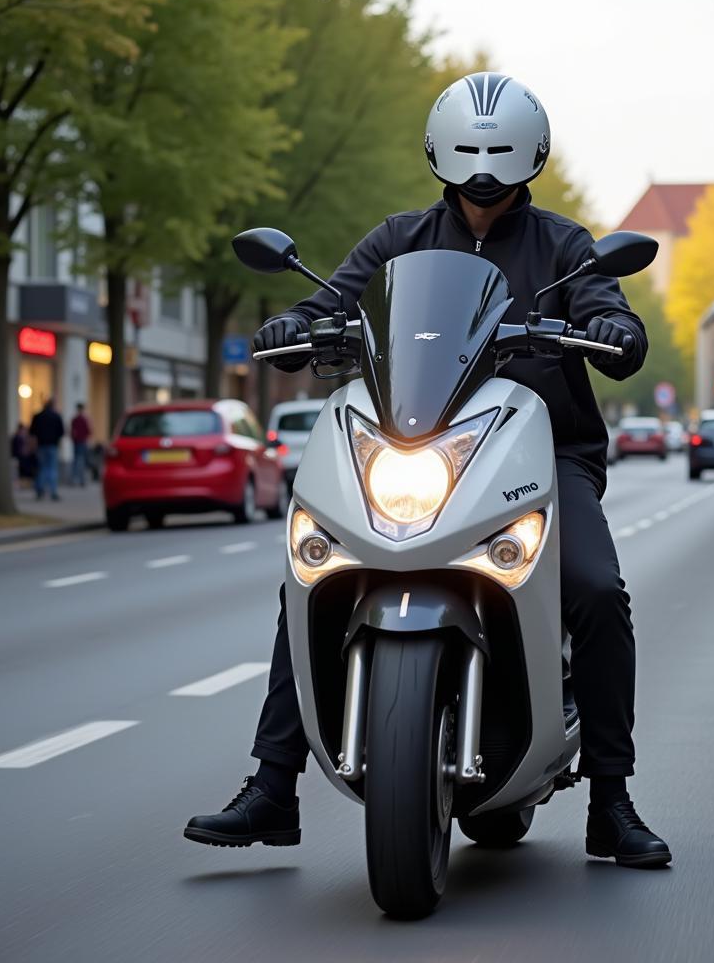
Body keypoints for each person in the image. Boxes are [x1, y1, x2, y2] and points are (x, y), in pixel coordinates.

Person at [185, 72, 671, 868]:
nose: (482, 171)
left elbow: (605, 305)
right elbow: (334, 301)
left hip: (542, 453)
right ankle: (274, 784)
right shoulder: (398, 241)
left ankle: (611, 800)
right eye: (469, 153)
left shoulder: (565, 245)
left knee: (594, 587)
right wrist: (297, 323)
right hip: (415, 443)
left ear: (528, 159)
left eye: (497, 154)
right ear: (443, 155)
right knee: (316, 573)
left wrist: (613, 327)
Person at [29, 398, 64, 501]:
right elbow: (61, 432)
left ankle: (40, 490)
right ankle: (53, 491)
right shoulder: (56, 416)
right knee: (52, 468)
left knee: (42, 468)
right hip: (52, 445)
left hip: (41, 445)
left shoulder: (38, 416)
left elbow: (32, 432)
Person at [70, 403, 92, 487]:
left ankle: (74, 479)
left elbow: (72, 431)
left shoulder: (75, 419)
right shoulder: (84, 419)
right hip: (82, 442)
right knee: (81, 461)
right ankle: (81, 480)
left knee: (76, 460)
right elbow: (89, 431)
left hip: (77, 442)